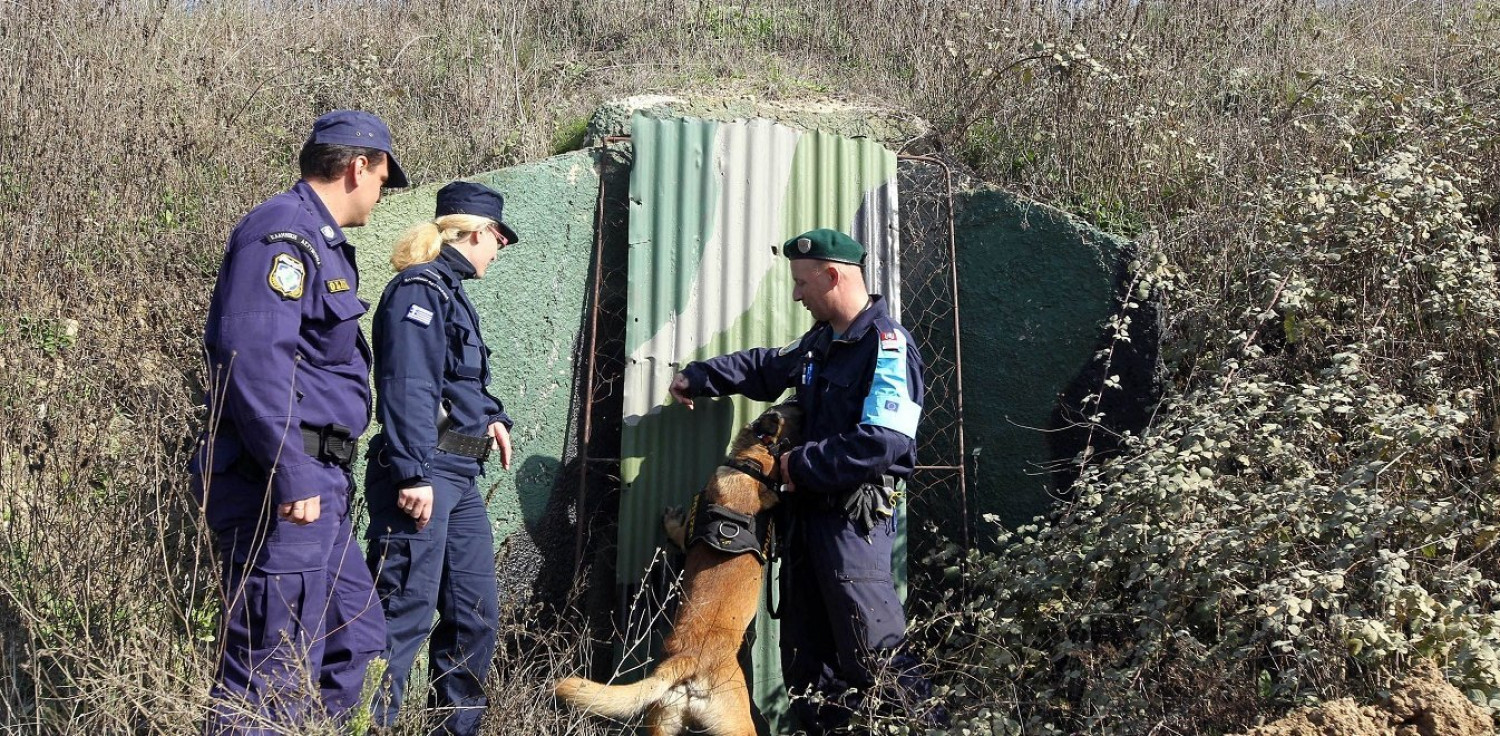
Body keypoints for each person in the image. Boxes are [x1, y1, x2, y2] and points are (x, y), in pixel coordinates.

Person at [190, 109, 409, 734]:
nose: (380, 194)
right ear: (358, 167)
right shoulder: (283, 232)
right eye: (382, 179)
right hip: (283, 485)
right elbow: (254, 359)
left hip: (319, 483)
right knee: (272, 670)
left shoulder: (320, 241)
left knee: (354, 639)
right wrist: (292, 471)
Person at [668, 228, 934, 734]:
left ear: (832, 276)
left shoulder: (887, 345)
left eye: (801, 283)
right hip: (805, 523)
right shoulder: (820, 342)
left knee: (876, 657)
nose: (796, 295)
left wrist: (798, 465)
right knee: (809, 670)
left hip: (851, 525)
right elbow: (768, 367)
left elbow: (885, 440)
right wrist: (699, 378)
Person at [362, 181, 518, 735]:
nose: (501, 248)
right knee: (401, 615)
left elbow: (456, 380)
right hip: (425, 472)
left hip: (458, 474)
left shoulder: (449, 293)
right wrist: (412, 472)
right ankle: (366, 726)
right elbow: (407, 385)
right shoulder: (419, 290)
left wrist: (491, 416)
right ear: (474, 232)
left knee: (474, 615)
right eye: (498, 236)